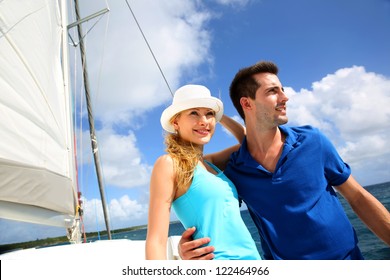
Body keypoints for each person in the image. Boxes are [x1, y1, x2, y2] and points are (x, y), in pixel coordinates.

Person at [178, 61, 390, 260]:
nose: (285, 97)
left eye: (282, 89)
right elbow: (204, 195)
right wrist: (187, 249)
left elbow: (358, 197)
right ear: (246, 103)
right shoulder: (234, 169)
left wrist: (221, 114)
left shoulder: (313, 141)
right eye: (272, 91)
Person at [145, 84, 261, 260]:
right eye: (193, 113)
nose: (204, 121)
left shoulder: (210, 163)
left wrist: (219, 117)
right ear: (175, 122)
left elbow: (251, 143)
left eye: (209, 113)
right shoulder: (169, 164)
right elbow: (156, 241)